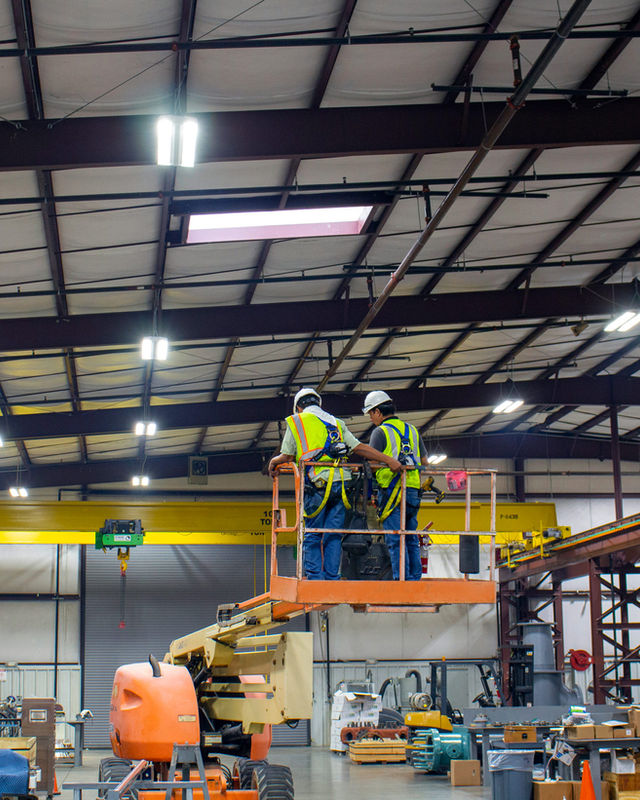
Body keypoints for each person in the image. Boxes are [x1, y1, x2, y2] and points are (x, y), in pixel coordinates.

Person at [268, 387, 401, 580]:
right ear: (318, 403)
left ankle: (314, 578)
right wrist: (388, 460)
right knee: (333, 534)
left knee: (313, 533)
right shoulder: (336, 423)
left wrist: (274, 461)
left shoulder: (297, 421)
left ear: (298, 407)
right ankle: (332, 577)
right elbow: (359, 447)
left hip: (317, 485)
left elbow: (287, 455)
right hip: (342, 486)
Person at [362, 390, 428, 581]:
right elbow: (424, 460)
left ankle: (401, 579)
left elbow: (373, 463)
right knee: (410, 536)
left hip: (392, 491)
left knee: (395, 537)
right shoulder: (412, 430)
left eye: (370, 414)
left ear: (377, 412)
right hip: (413, 490)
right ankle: (414, 578)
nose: (371, 419)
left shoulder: (380, 432)